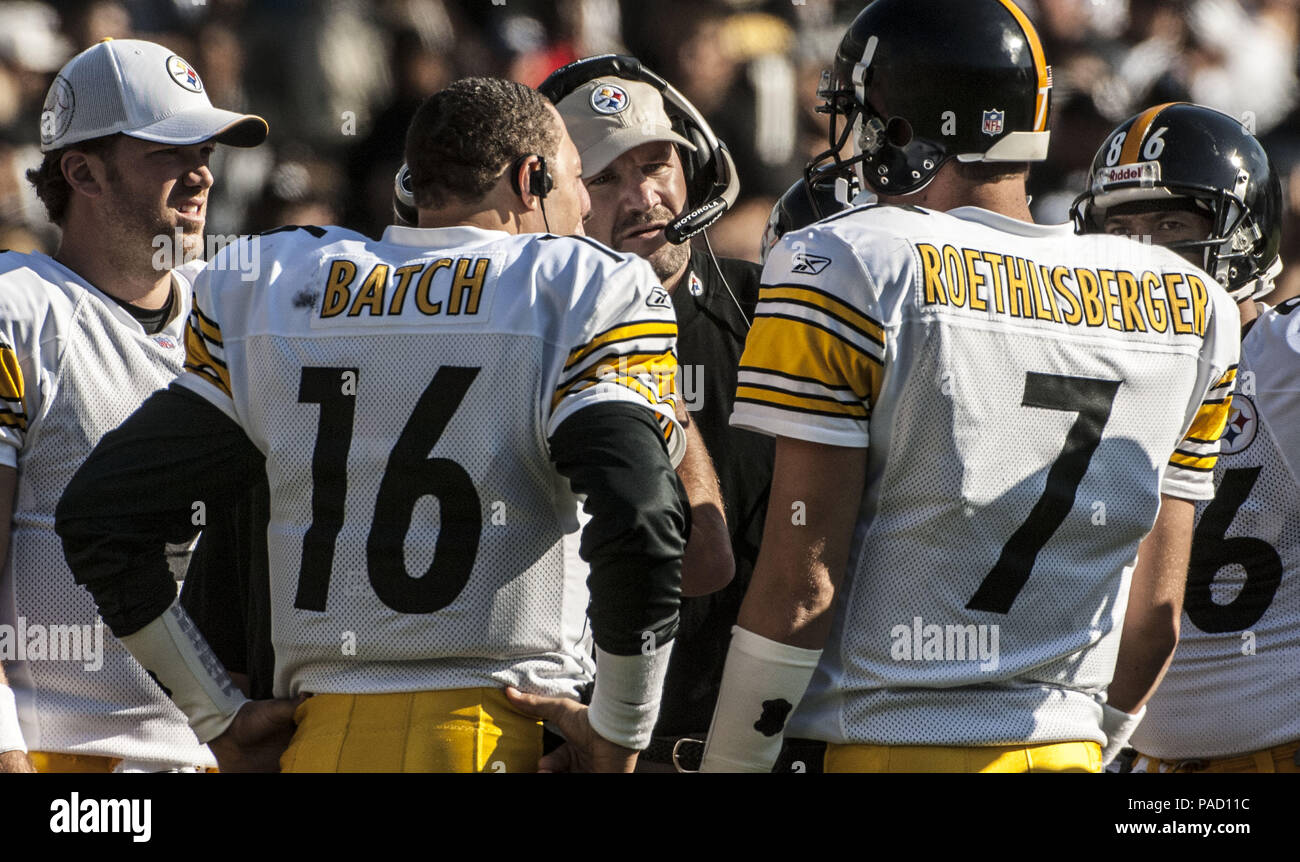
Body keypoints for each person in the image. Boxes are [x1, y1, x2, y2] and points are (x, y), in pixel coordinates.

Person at [55, 76, 689, 774]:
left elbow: (101, 515)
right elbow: (641, 519)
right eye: (577, 177)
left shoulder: (282, 283)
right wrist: (621, 728)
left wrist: (216, 714)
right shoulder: (583, 285)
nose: (588, 202)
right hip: (495, 737)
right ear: (531, 177)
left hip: (321, 742)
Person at [699, 0, 1240, 773]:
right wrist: (1096, 740)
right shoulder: (1191, 304)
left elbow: (801, 587)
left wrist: (731, 765)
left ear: (905, 126)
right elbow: (1154, 616)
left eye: (867, 110)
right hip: (1067, 751)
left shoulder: (851, 260)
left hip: (890, 745)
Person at [0, 38, 267, 773]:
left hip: (217, 750)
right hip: (67, 751)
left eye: (206, 149)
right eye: (168, 150)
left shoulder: (233, 310)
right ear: (82, 170)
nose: (201, 173)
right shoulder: (21, 310)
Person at [544, 55, 775, 771]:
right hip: (582, 744)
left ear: (695, 168)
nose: (645, 196)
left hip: (755, 741)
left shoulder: (774, 314)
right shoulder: (526, 330)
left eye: (657, 165)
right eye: (606, 177)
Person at [1073, 102, 1299, 774]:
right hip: (1139, 755)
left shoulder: (1281, 355)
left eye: (1172, 224)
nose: (1142, 252)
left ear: (1246, 235)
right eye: (1123, 227)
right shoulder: (1083, 368)